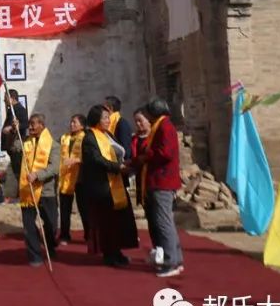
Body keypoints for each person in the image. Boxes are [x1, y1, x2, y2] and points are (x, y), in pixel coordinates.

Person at [129, 98, 185, 278]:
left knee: (163, 223)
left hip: (162, 181)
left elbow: (165, 153)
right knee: (164, 222)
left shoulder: (164, 126)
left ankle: (171, 262)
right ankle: (175, 258)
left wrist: (146, 156)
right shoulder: (161, 126)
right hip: (157, 181)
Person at [79, 104, 138, 268]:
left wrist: (125, 164)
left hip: (115, 183)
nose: (107, 120)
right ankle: (109, 255)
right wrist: (117, 167)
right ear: (96, 119)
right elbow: (96, 159)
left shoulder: (107, 134)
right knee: (107, 222)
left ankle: (117, 251)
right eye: (104, 117)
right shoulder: (90, 137)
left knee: (117, 222)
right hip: (102, 187)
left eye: (108, 117)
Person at [12, 114, 59, 266]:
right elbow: (14, 148)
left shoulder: (53, 145)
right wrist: (15, 131)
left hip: (46, 191)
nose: (30, 127)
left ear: (42, 125)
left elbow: (54, 167)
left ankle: (50, 246)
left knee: (51, 224)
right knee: (29, 225)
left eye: (33, 124)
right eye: (29, 124)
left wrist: (38, 175)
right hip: (28, 191)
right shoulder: (26, 142)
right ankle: (34, 255)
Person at [58, 114, 85, 245]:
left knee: (84, 208)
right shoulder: (64, 138)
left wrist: (76, 160)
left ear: (82, 125)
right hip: (65, 177)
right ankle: (64, 234)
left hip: (80, 177)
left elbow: (90, 156)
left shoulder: (85, 138)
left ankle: (88, 234)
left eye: (75, 122)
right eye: (71, 122)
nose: (71, 124)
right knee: (64, 209)